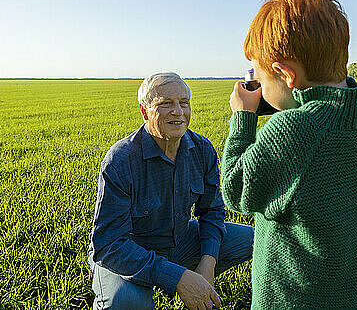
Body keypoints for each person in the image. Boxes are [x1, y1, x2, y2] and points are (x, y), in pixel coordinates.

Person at [220, 0, 357, 309]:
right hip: (354, 297)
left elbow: (235, 190)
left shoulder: (293, 130)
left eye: (259, 76)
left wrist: (243, 117)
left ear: (286, 74)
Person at [88, 72, 254, 309]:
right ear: (145, 111)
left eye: (183, 103)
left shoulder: (202, 149)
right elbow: (109, 244)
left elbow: (212, 212)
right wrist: (178, 278)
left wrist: (207, 264)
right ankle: (146, 285)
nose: (178, 111)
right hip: (131, 252)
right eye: (165, 104)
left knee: (259, 240)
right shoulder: (121, 159)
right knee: (124, 302)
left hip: (181, 239)